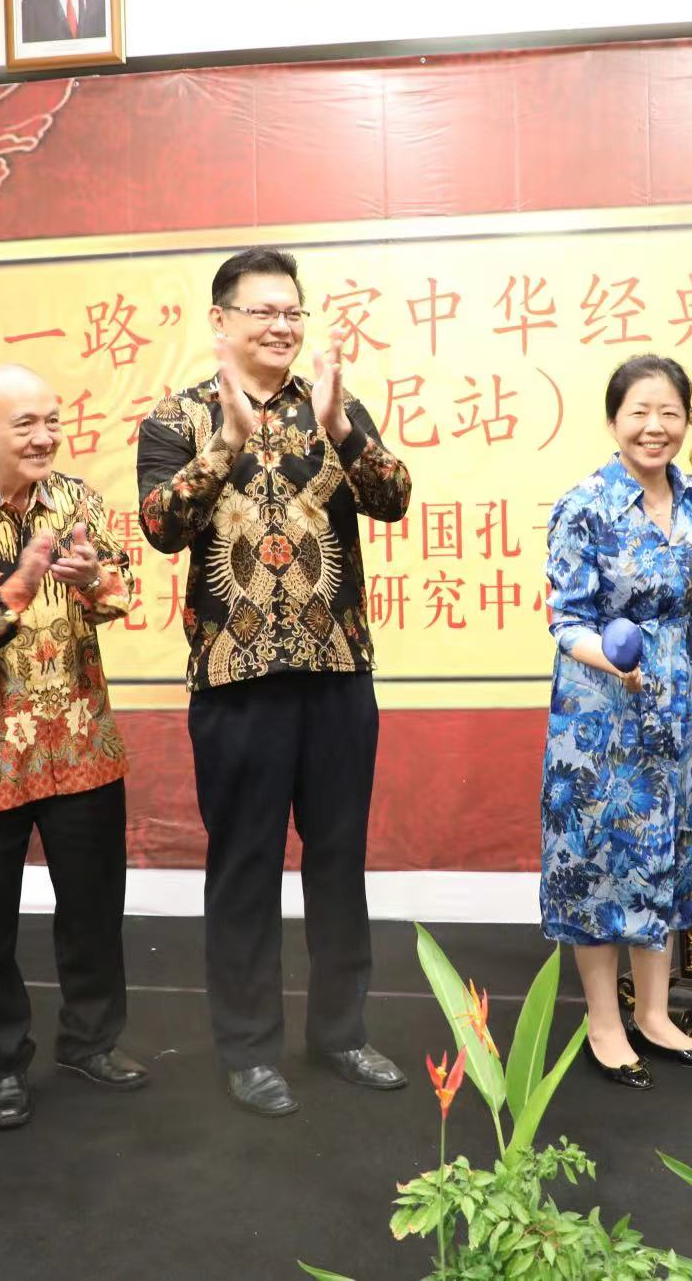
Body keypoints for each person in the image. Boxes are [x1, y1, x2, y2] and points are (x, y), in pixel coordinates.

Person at [136, 247, 411, 1117]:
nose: (283, 325)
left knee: (339, 860)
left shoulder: (335, 405)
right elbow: (161, 527)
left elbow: (395, 497)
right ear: (221, 321)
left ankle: (341, 1032)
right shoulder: (178, 416)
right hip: (235, 680)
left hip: (337, 673)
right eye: (264, 311)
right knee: (245, 868)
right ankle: (250, 1049)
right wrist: (225, 443)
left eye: (293, 311)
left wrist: (342, 431)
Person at [0, 363, 142, 1129]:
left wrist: (93, 579)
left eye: (52, 420)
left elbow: (123, 595)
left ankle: (91, 1041)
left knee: (94, 909)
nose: (44, 437)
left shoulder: (79, 501)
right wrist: (19, 585)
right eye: (25, 424)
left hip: (79, 739)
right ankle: (1, 1062)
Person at [539, 354, 692, 1089]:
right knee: (600, 861)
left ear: (686, 420)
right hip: (601, 715)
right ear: (614, 420)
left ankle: (654, 1014)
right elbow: (566, 620)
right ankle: (604, 1023)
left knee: (666, 853)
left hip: (676, 705)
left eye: (669, 412)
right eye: (639, 412)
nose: (655, 426)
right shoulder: (584, 504)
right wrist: (615, 663)